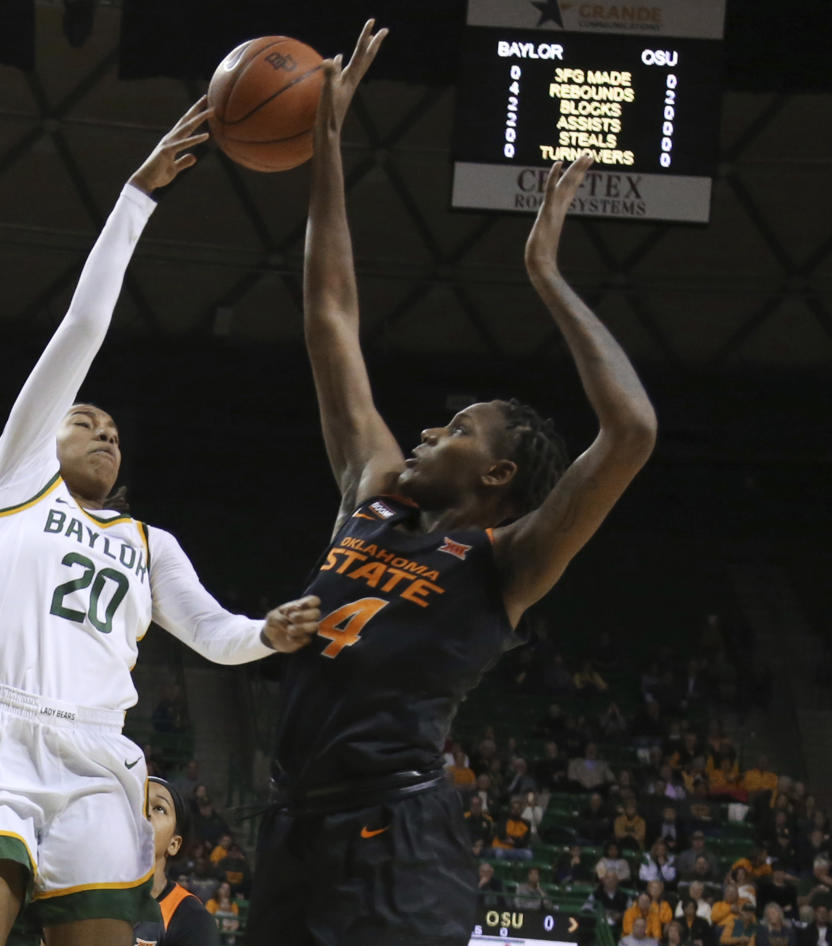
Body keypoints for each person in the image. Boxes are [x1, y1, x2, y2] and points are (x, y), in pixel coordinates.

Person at [247, 15, 656, 945]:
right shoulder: (373, 494)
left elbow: (632, 431)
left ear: (500, 473)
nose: (430, 430)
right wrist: (326, 143)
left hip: (396, 843)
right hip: (291, 829)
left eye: (459, 428)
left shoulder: (507, 560)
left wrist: (545, 272)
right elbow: (332, 317)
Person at [0, 102, 322, 946]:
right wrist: (135, 198)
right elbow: (84, 328)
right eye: (85, 419)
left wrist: (268, 635)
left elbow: (215, 635)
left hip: (100, 761)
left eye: (113, 430)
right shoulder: (18, 482)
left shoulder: (148, 544)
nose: (103, 429)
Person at [133, 777, 219, 946]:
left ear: (174, 844)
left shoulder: (192, 919)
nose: (146, 812)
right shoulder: (85, 898)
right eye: (137, 803)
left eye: (159, 808)